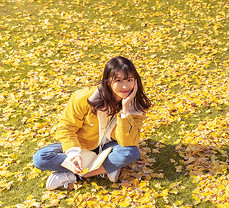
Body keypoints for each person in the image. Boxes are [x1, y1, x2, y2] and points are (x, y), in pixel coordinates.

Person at [33, 56, 151, 190]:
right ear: (107, 82)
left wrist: (125, 109)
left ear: (136, 81)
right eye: (118, 80)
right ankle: (107, 169)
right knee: (40, 158)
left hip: (111, 148)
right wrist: (73, 155)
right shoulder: (83, 98)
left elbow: (128, 142)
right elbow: (67, 128)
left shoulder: (136, 106)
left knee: (131, 152)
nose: (125, 86)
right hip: (82, 146)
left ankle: (77, 175)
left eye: (129, 80)